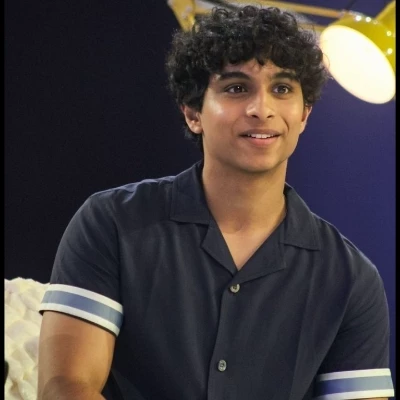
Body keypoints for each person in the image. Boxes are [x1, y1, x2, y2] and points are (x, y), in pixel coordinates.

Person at [37, 5, 395, 400]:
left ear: (304, 114)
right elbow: (65, 387)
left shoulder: (351, 279)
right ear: (193, 113)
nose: (262, 109)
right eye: (237, 88)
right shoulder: (112, 222)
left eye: (282, 89)